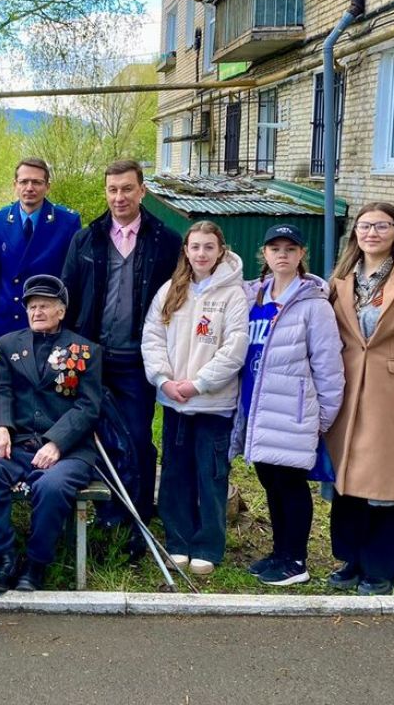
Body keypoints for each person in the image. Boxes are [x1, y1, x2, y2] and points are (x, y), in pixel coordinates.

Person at [61, 159, 181, 534]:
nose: (119, 197)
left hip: (137, 359)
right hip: (91, 357)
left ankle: (136, 520)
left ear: (142, 191)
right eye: (112, 190)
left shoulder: (165, 241)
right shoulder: (87, 238)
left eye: (127, 189)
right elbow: (68, 295)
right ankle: (97, 516)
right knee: (89, 434)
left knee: (137, 438)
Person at [325, 203, 394, 596]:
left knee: (383, 483)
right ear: (355, 233)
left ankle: (381, 569)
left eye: (381, 226)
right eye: (364, 225)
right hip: (347, 382)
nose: (371, 232)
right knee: (347, 476)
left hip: (391, 390)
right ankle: (350, 558)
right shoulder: (341, 278)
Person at [0, 274, 103, 593]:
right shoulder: (10, 344)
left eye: (45, 306)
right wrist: (0, 425)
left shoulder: (84, 350)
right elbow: (2, 391)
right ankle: (4, 558)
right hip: (18, 445)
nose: (37, 312)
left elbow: (88, 406)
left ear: (61, 311)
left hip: (68, 451)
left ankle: (36, 563)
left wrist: (57, 442)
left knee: (53, 487)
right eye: (31, 306)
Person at [231, 225, 344, 586]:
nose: (282, 254)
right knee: (271, 482)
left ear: (300, 255)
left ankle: (296, 560)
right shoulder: (253, 296)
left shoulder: (313, 305)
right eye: (275, 248)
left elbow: (329, 366)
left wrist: (321, 417)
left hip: (292, 410)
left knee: (291, 484)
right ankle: (279, 552)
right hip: (257, 407)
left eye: (290, 248)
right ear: (264, 254)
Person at [141, 221, 248, 576]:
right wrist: (164, 380)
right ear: (185, 251)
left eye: (208, 247)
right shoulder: (172, 290)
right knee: (175, 473)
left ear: (221, 250)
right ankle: (178, 540)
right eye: (195, 247)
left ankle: (207, 544)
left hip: (213, 404)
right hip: (175, 402)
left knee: (211, 474)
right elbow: (152, 338)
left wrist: (198, 384)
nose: (201, 254)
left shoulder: (234, 294)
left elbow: (235, 349)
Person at [0, 158, 81, 340]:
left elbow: (73, 279)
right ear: (15, 185)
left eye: (37, 182)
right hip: (9, 320)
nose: (29, 188)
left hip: (49, 322)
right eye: (24, 182)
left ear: (47, 186)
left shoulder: (67, 222)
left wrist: (69, 325)